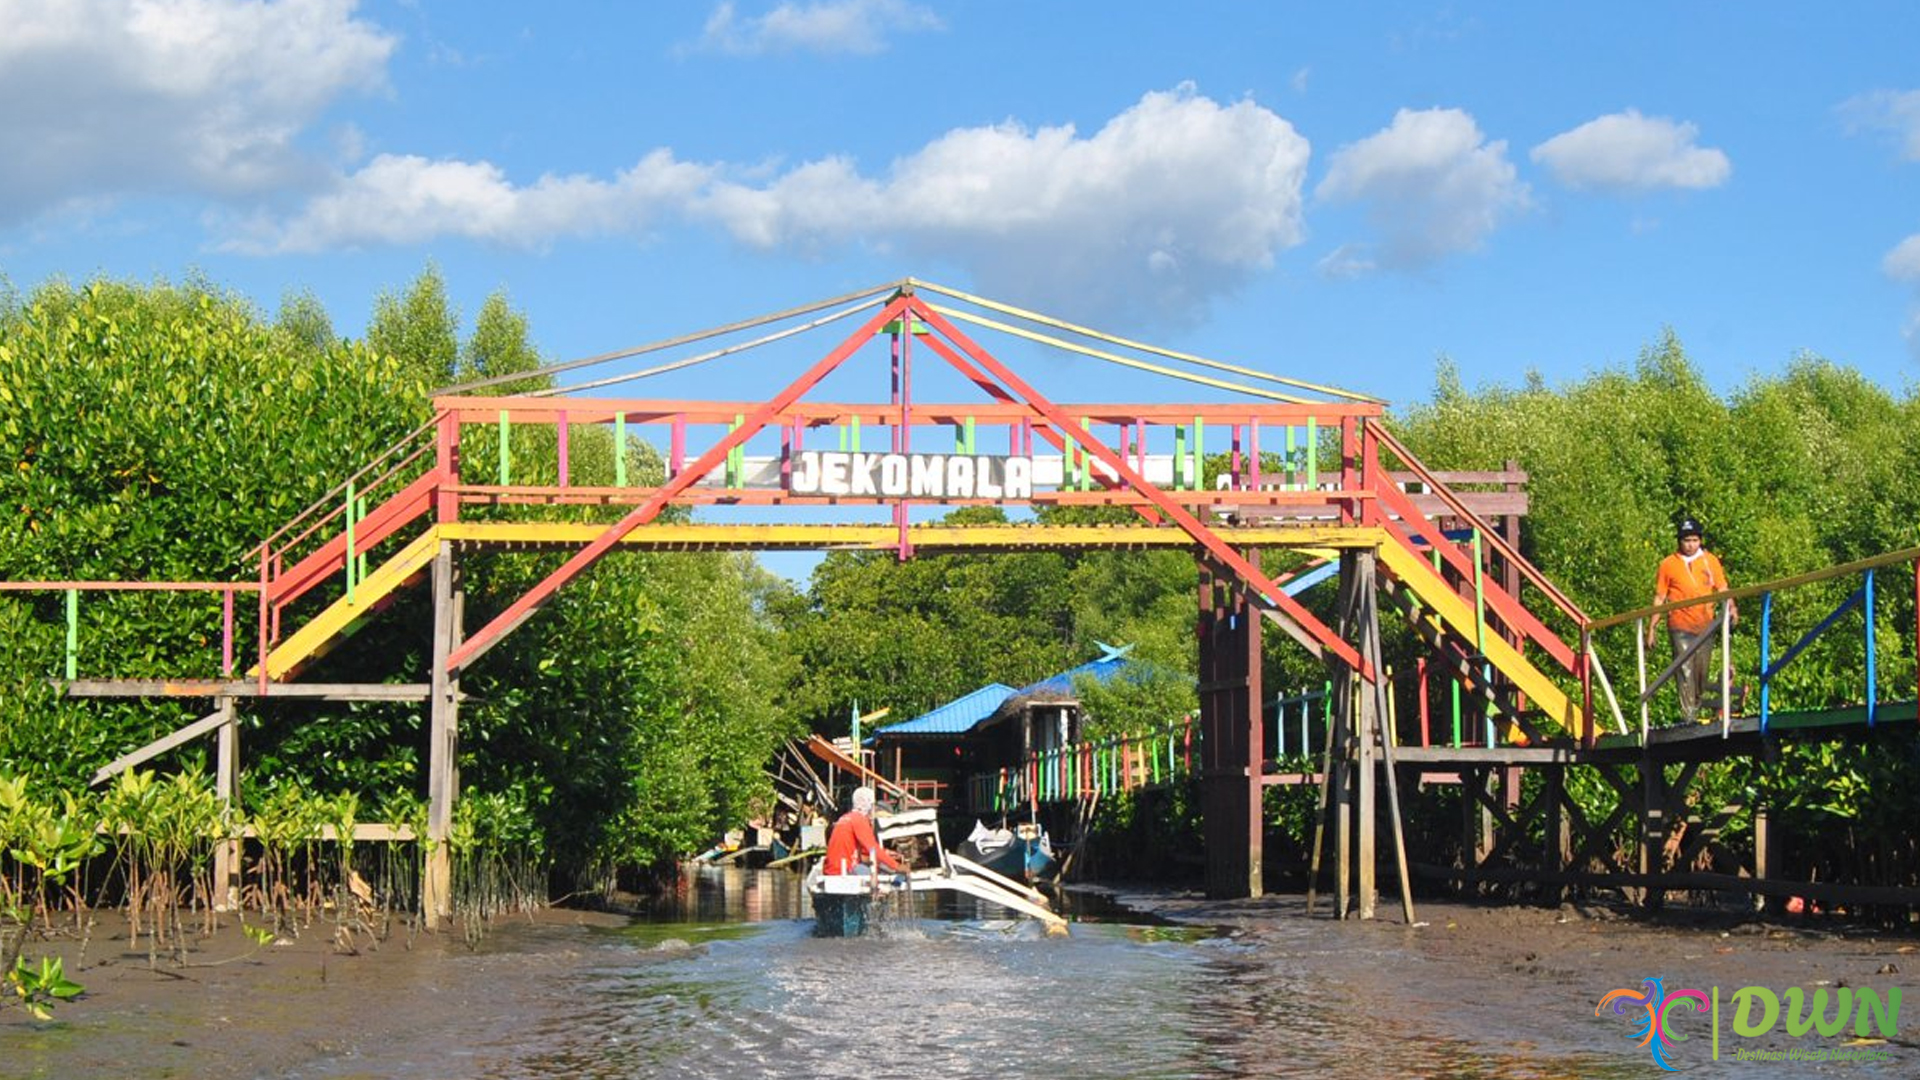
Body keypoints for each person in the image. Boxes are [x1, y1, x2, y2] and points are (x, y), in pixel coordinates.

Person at [1649, 516, 1735, 720]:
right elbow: (1660, 596)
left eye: (1695, 540)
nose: (1690, 544)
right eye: (1687, 540)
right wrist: (1651, 628)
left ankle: (1695, 707)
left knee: (1700, 673)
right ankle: (1688, 716)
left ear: (1700, 541)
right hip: (1679, 625)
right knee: (1685, 671)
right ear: (1680, 541)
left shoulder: (1710, 560)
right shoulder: (1668, 564)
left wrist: (1732, 608)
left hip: (1705, 624)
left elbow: (1722, 588)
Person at [822, 786, 904, 877]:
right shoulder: (859, 820)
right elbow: (873, 849)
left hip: (833, 869)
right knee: (878, 874)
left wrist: (886, 853)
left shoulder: (846, 818)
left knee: (875, 866)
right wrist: (897, 866)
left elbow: (864, 854)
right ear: (868, 805)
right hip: (843, 871)